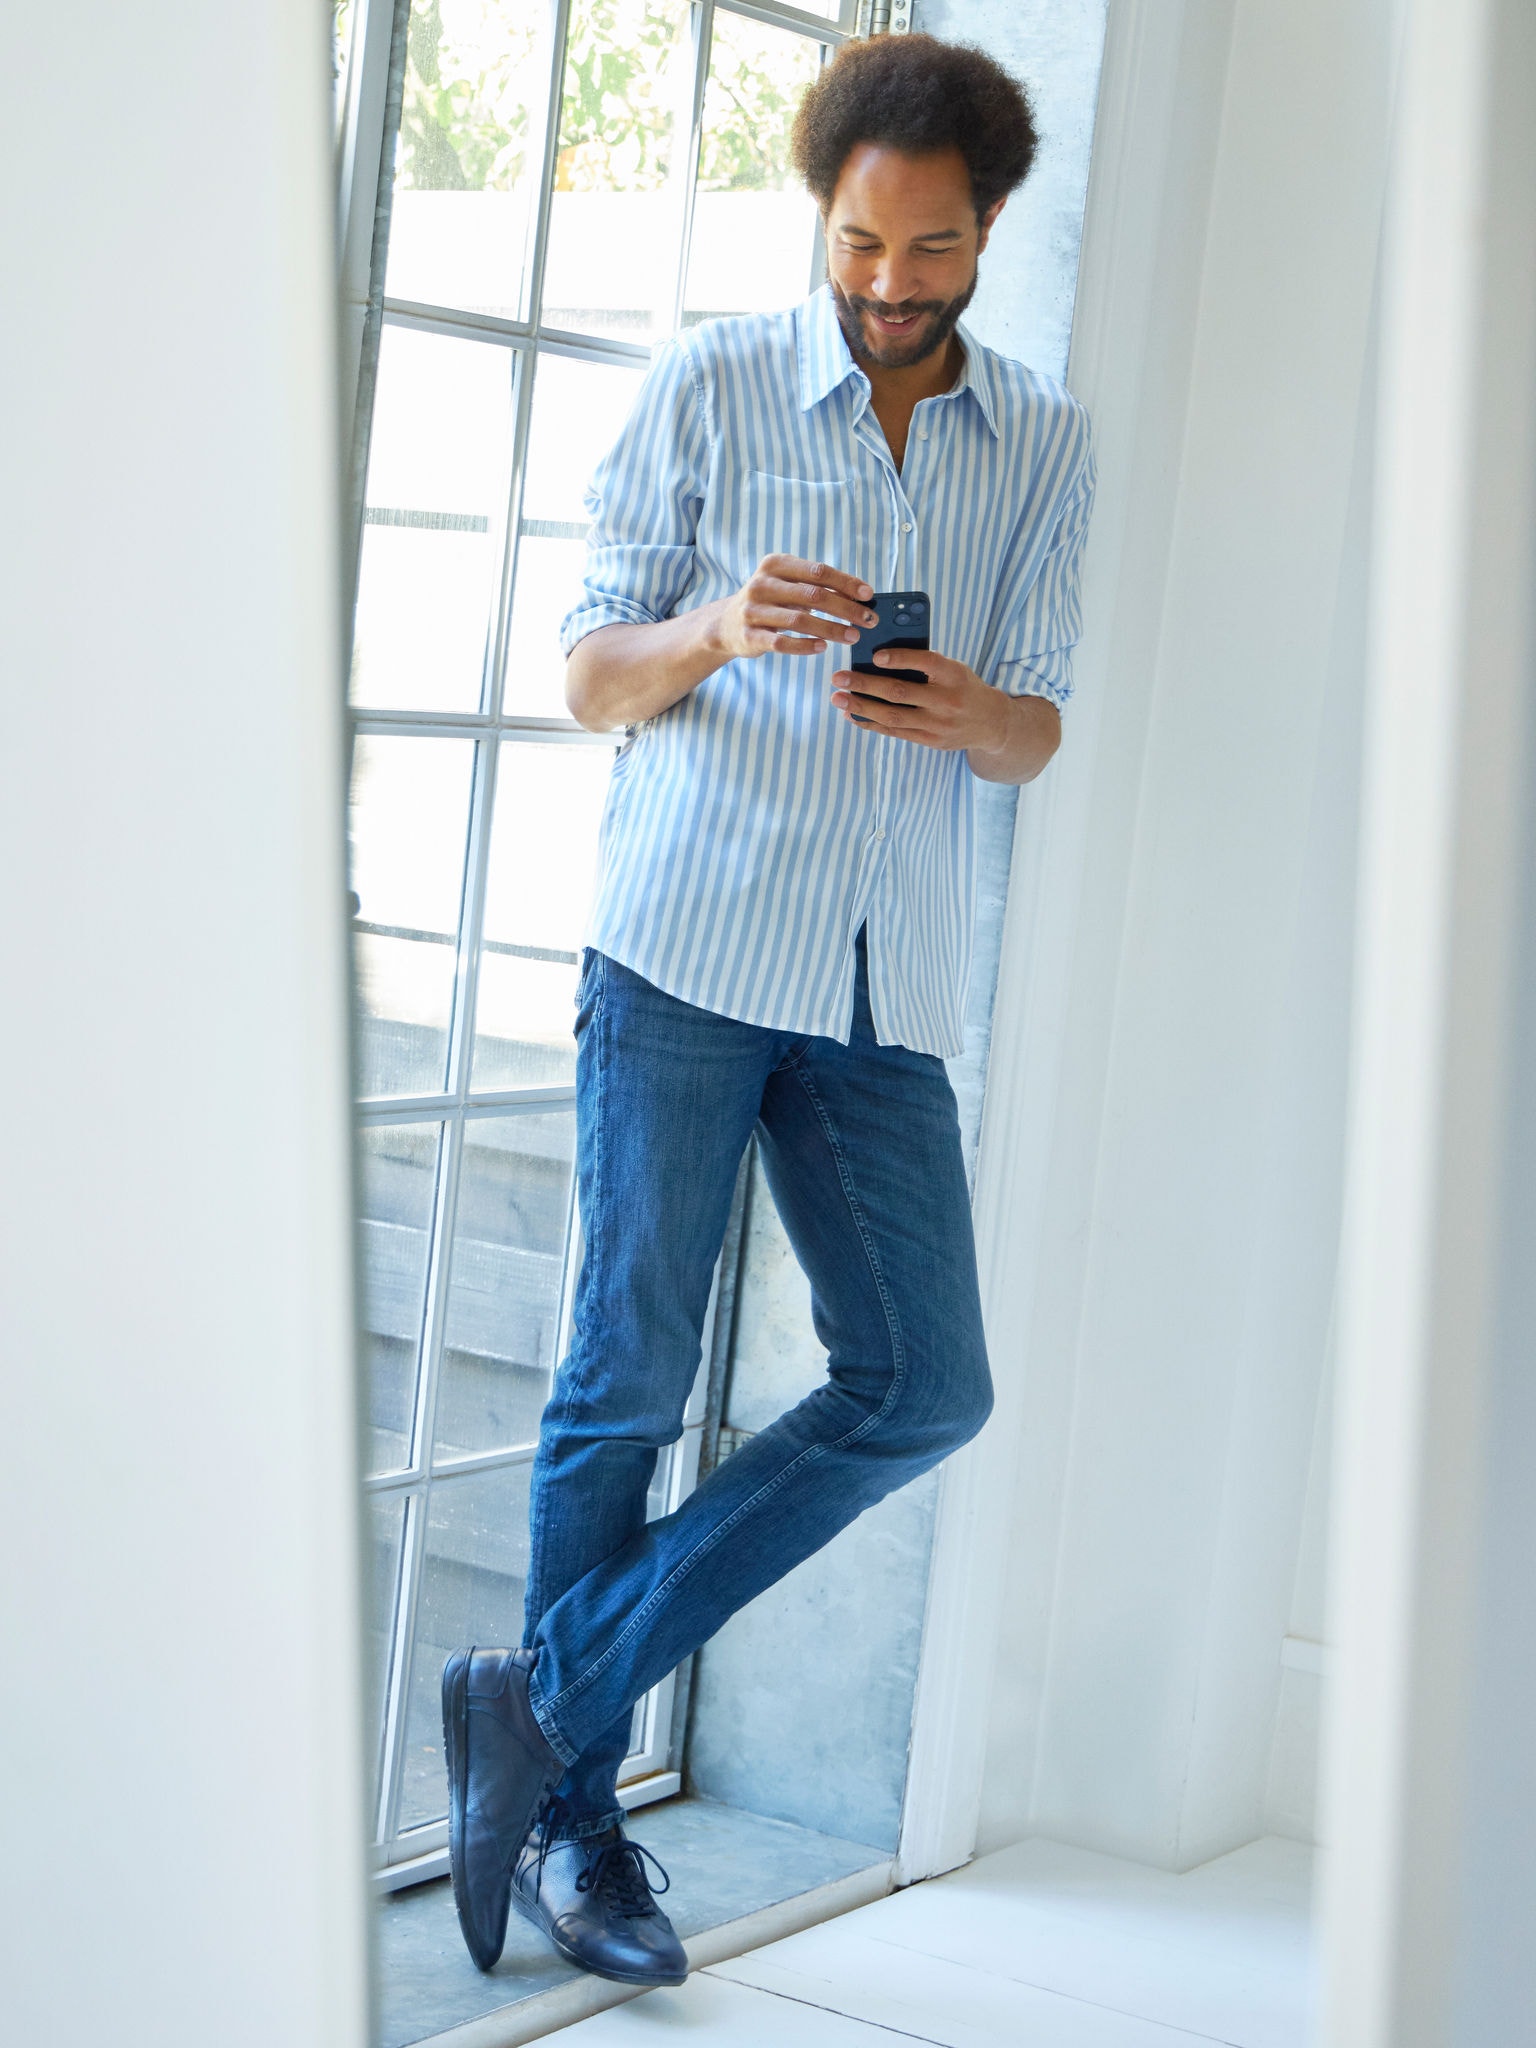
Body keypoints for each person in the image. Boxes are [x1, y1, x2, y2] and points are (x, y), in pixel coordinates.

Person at [441, 31, 1095, 1985]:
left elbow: (1038, 724)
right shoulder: (713, 383)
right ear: (823, 217)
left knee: (928, 1381)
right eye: (863, 242)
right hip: (687, 949)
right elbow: (583, 675)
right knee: (622, 1382)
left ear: (990, 232)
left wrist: (968, 708)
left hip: (887, 979)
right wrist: (722, 626)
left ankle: (532, 1696)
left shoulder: (1045, 440)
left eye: (935, 248)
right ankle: (574, 1835)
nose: (893, 283)